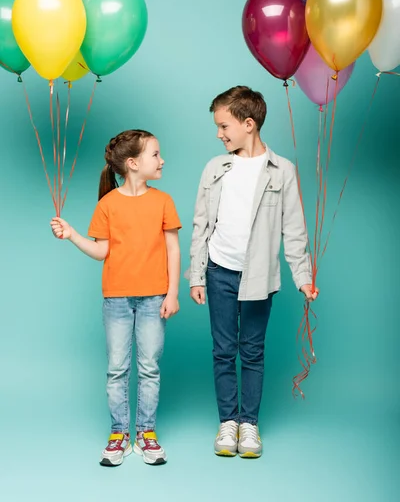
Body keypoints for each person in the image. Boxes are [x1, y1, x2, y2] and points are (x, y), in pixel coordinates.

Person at [188, 86, 319, 459]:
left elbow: (294, 230)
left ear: (249, 123)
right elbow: (201, 225)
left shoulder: (283, 171)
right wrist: (197, 274)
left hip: (260, 276)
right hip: (219, 272)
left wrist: (302, 277)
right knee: (223, 350)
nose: (219, 134)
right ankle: (227, 422)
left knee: (253, 351)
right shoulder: (216, 168)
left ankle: (249, 425)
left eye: (223, 126)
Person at [51, 129, 181, 467]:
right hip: (117, 301)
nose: (162, 159)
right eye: (156, 154)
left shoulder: (163, 201)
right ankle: (119, 433)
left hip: (154, 299)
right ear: (133, 163)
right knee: (117, 369)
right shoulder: (107, 204)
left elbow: (173, 248)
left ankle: (146, 434)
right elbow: (101, 250)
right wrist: (73, 235)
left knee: (149, 368)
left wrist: (172, 293)